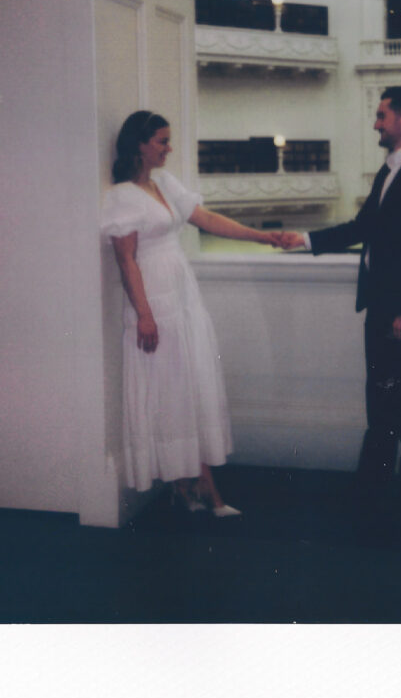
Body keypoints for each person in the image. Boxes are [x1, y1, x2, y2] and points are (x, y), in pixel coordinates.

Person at [279, 89, 401, 530]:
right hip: (385, 307)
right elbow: (365, 227)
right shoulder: (395, 169)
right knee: (382, 404)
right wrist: (305, 240)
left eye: (381, 115)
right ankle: (374, 495)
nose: (376, 123)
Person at [101, 110, 281, 517]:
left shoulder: (163, 183)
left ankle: (191, 485)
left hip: (181, 296)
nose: (168, 148)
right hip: (155, 303)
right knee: (171, 391)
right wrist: (144, 315)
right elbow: (126, 261)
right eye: (162, 141)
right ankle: (199, 488)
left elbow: (207, 219)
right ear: (140, 144)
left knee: (188, 388)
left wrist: (262, 236)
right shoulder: (121, 196)